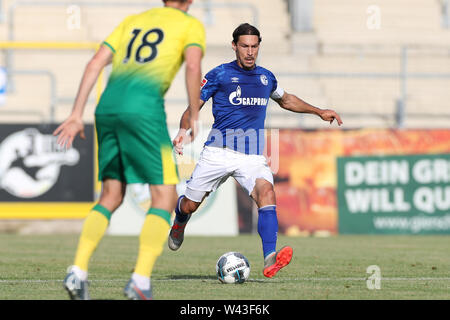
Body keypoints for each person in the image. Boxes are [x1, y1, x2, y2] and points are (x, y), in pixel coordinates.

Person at [54, 0, 205, 300]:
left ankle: (78, 271)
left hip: (106, 108)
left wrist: (75, 114)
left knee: (111, 194)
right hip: (143, 109)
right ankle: (140, 280)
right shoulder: (190, 25)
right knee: (165, 197)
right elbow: (192, 65)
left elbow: (94, 63)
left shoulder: (133, 20)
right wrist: (195, 112)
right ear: (190, 1)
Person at [168, 23, 343, 278]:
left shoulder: (266, 77)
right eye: (245, 46)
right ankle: (179, 220)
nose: (250, 52)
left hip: (251, 156)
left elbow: (286, 99)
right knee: (191, 205)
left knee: (267, 192)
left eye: (254, 46)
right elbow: (194, 106)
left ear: (258, 46)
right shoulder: (220, 74)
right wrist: (184, 131)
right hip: (218, 151)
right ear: (234, 46)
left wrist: (318, 112)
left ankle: (270, 258)